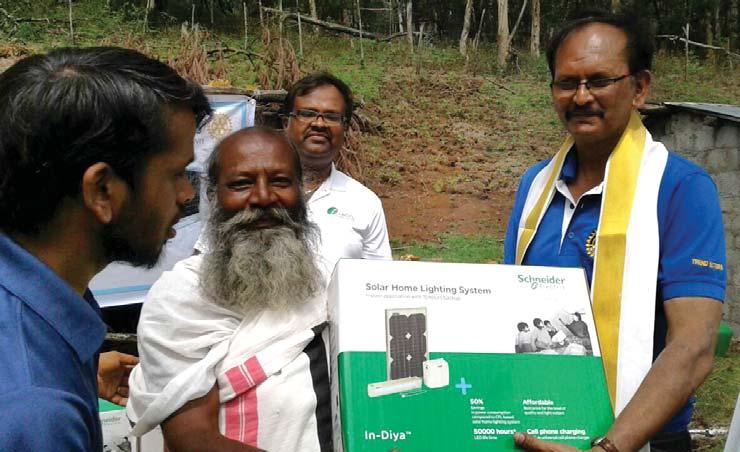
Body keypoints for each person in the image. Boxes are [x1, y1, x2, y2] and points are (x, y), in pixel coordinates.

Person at [504, 9, 725, 452]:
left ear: (639, 88)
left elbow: (695, 345)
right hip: (538, 429)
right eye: (567, 82)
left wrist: (610, 447)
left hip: (641, 441)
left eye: (600, 80)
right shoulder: (535, 187)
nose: (581, 96)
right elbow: (508, 310)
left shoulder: (680, 187)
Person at [0, 47, 211, 450]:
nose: (187, 194)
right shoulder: (37, 412)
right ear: (101, 190)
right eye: (176, 174)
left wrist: (75, 367)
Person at [127, 127, 331, 452]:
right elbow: (192, 441)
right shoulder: (180, 296)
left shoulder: (323, 287)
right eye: (241, 184)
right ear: (213, 197)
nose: (263, 198)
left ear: (301, 191)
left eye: (280, 181)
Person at [282, 72, 392, 273]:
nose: (319, 124)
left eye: (332, 117)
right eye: (307, 113)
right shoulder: (255, 192)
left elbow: (379, 280)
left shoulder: (364, 203)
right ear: (285, 123)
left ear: (345, 128)